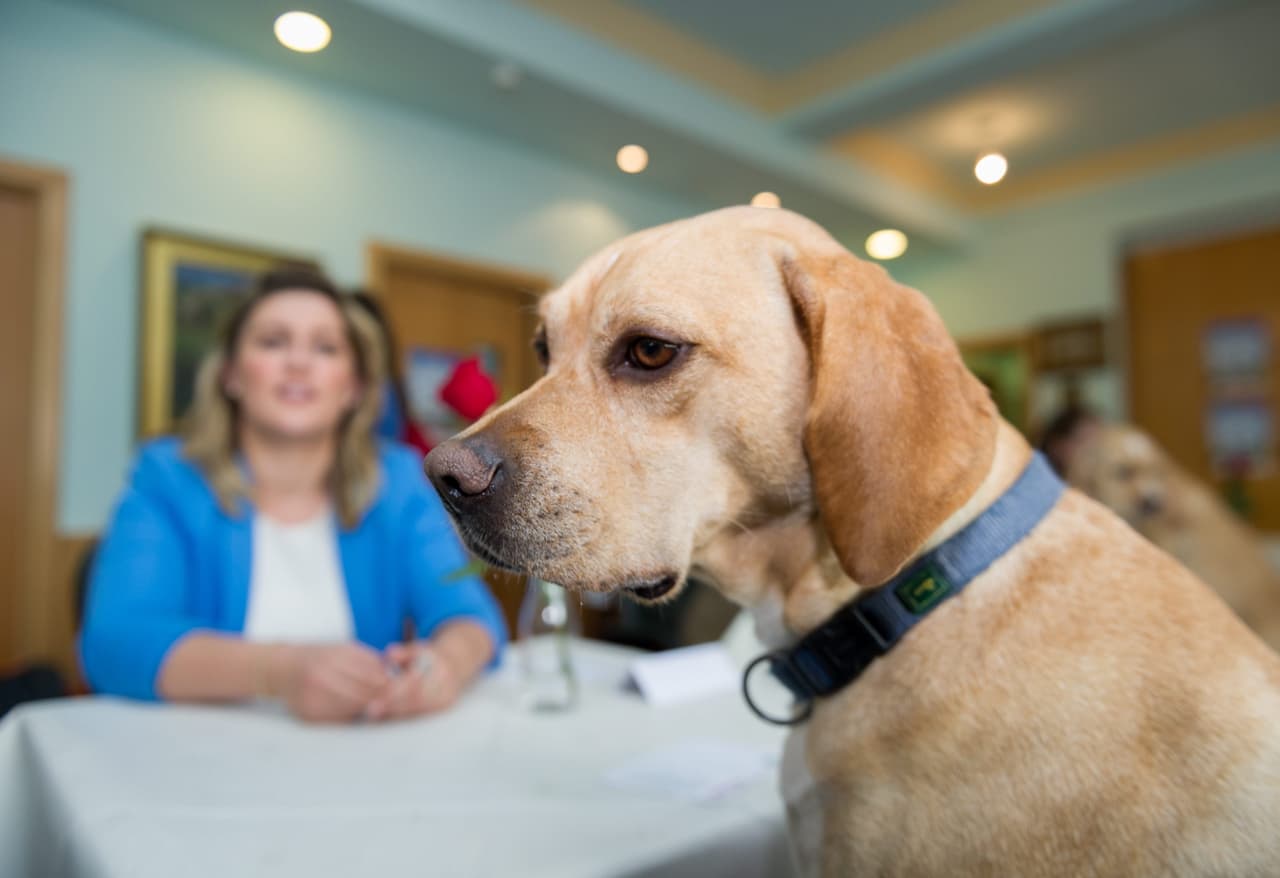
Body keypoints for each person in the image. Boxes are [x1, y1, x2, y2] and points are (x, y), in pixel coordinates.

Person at [80, 268, 505, 723]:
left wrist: (441, 669)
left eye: (325, 348)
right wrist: (279, 672)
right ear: (231, 374)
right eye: (273, 342)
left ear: (354, 386)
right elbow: (113, 642)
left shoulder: (398, 480)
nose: (299, 363)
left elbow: (470, 616)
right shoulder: (167, 476)